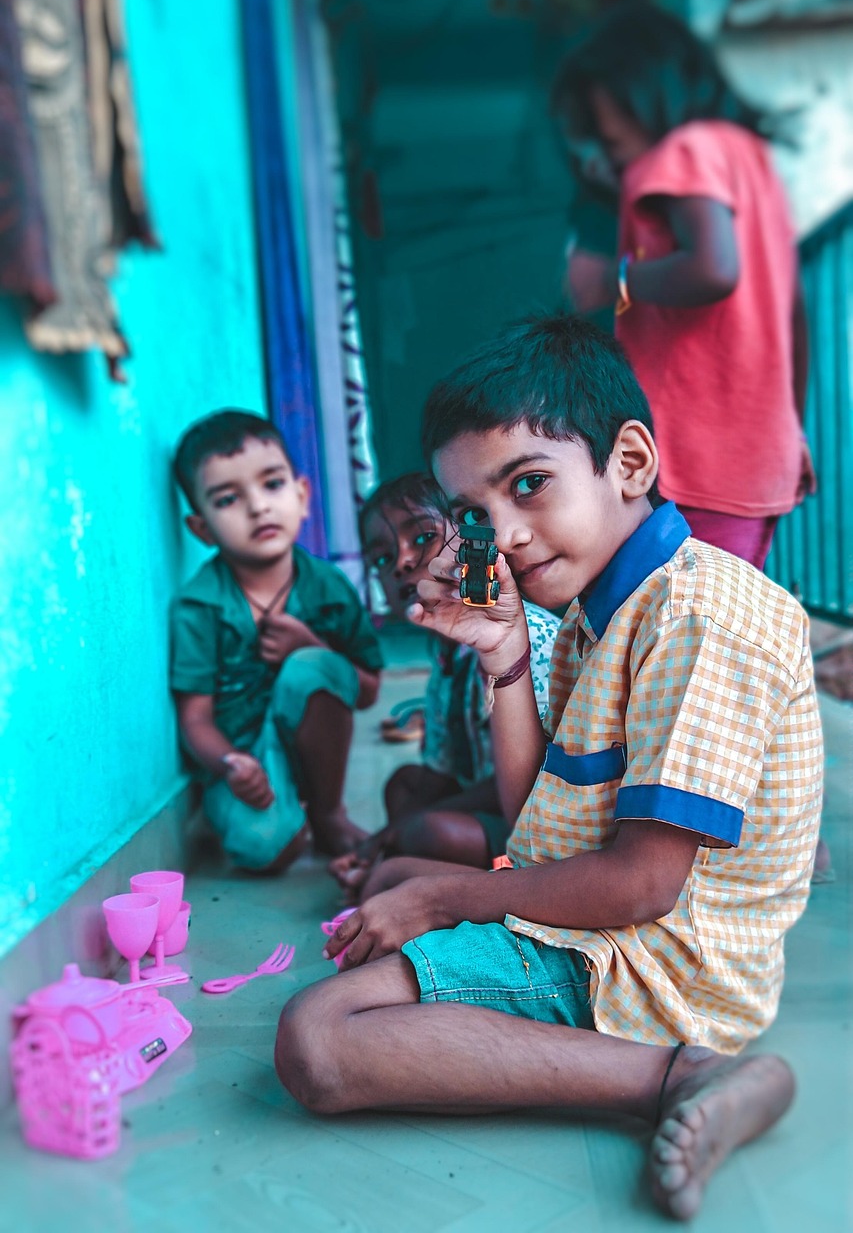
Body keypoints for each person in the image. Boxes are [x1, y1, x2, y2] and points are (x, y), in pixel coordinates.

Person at [274, 315, 823, 1222]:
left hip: (655, 964)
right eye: (475, 516)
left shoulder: (699, 614)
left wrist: (444, 902)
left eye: (528, 484)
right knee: (397, 875)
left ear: (629, 463)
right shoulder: (590, 615)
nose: (506, 536)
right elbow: (534, 820)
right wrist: (505, 658)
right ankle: (494, 992)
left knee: (317, 1038)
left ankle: (677, 1077)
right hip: (609, 926)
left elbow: (643, 885)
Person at [553, 1, 817, 572]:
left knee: (685, 615)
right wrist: (792, 430)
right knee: (725, 614)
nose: (599, 143)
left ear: (644, 92)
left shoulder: (680, 150)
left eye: (604, 130)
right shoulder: (750, 161)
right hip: (756, 458)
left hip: (696, 459)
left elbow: (713, 270)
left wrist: (613, 277)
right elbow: (793, 312)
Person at [330, 472, 560, 897]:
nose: (401, 562)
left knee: (427, 830)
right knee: (404, 784)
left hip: (538, 817)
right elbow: (441, 772)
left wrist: (396, 832)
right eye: (381, 559)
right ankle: (403, 866)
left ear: (473, 542)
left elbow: (533, 776)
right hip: (488, 807)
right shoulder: (446, 660)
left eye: (423, 538)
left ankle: (451, 879)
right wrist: (385, 835)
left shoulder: (522, 637)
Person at [169, 409, 382, 869]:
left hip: (316, 751)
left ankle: (327, 813)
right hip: (246, 759)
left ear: (302, 496)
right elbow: (195, 718)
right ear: (202, 528)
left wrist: (311, 646)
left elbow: (367, 692)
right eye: (228, 499)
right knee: (265, 848)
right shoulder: (199, 606)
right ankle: (278, 814)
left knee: (313, 666)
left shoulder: (328, 587)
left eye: (272, 484)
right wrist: (231, 765)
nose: (258, 507)